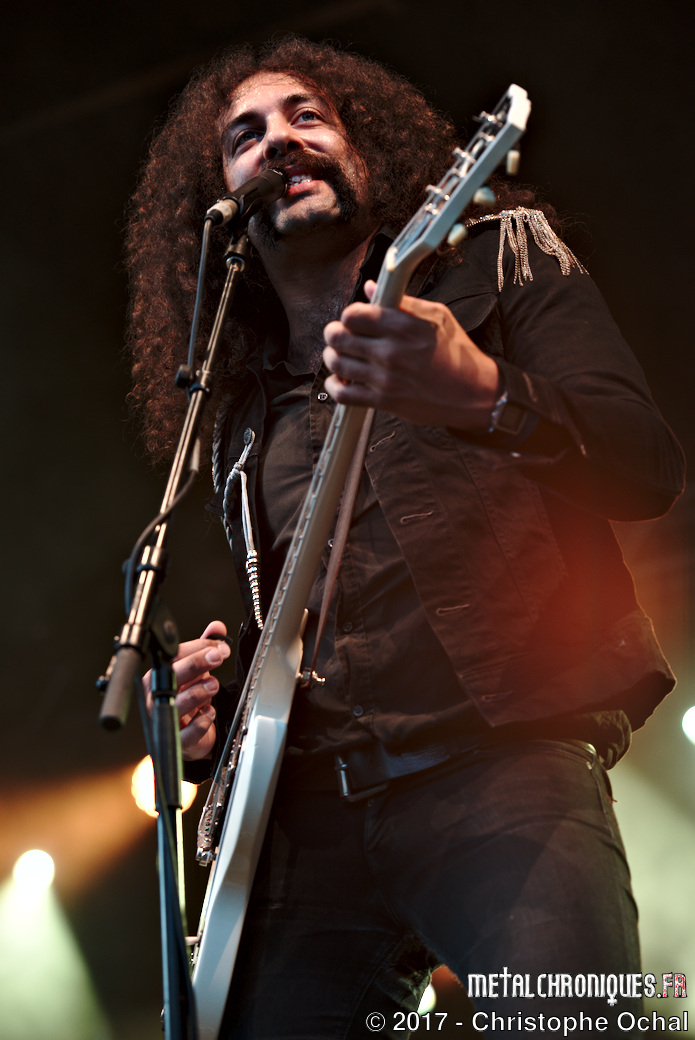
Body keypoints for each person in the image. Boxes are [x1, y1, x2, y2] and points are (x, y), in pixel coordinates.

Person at [127, 35, 685, 1039]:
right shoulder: (236, 418)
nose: (278, 141)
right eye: (244, 136)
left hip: (503, 767)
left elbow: (642, 464)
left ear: (366, 148)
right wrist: (209, 713)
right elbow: (297, 626)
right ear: (216, 204)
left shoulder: (497, 261)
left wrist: (484, 395)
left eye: (306, 115)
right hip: (309, 817)